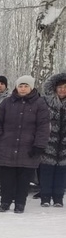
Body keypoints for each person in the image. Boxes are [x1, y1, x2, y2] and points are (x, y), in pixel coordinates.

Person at [0, 75, 50, 213]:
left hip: (28, 148)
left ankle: (20, 203)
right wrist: (0, 137)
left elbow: (43, 127)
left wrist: (39, 145)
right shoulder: (7, 102)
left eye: (26, 86)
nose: (23, 89)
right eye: (20, 86)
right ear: (16, 87)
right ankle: (5, 202)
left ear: (31, 87)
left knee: (24, 178)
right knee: (6, 178)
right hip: (7, 146)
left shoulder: (40, 104)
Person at [39, 72, 66, 207]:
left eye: (65, 87)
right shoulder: (45, 101)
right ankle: (45, 197)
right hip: (48, 141)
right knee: (46, 170)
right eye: (60, 87)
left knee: (62, 171)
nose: (62, 90)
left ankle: (58, 198)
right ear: (55, 88)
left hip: (64, 145)